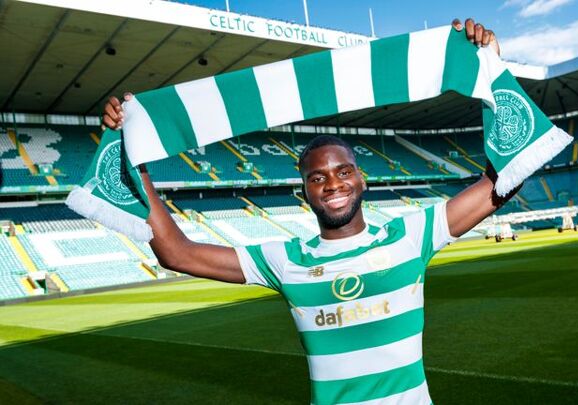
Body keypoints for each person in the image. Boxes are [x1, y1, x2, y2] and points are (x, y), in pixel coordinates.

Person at [102, 19, 514, 405]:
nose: (333, 184)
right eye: (317, 178)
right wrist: (136, 159)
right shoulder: (286, 260)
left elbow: (501, 184)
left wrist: (492, 72)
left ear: (362, 180)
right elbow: (177, 254)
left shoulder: (411, 236)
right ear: (305, 192)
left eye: (344, 172)